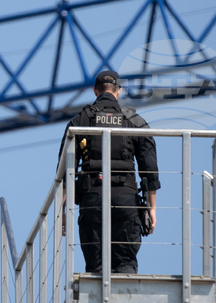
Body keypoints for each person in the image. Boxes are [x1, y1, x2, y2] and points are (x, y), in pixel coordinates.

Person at [59, 70, 160, 274]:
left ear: (95, 90)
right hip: (126, 201)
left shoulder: (79, 121)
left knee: (95, 269)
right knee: (125, 267)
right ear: (118, 91)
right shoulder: (135, 121)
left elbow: (64, 172)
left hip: (92, 200)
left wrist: (62, 211)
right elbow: (149, 169)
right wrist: (152, 208)